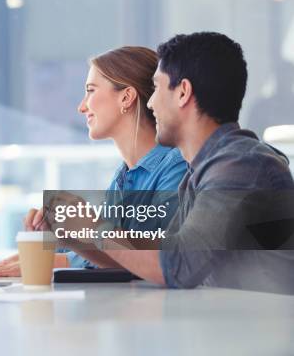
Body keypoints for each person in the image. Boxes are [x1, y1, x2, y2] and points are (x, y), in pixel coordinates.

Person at [49, 32, 294, 294]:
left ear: (183, 93)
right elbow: (159, 253)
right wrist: (75, 235)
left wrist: (96, 229)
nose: (151, 103)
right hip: (235, 326)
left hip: (267, 330)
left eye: (156, 88)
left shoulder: (241, 165)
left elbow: (179, 266)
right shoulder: (202, 170)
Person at [0, 46, 187, 277]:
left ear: (126, 97)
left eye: (91, 91)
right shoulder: (124, 177)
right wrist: (60, 238)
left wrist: (60, 256)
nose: (82, 107)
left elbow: (150, 256)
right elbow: (115, 252)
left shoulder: (177, 167)